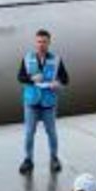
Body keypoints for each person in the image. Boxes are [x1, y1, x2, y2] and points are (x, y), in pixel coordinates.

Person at [17, 29, 70, 175]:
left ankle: (54, 159)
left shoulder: (56, 59)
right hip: (31, 103)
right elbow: (20, 77)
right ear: (35, 42)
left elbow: (66, 79)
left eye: (44, 42)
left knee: (51, 133)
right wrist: (32, 79)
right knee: (29, 133)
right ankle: (28, 160)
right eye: (39, 42)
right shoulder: (27, 58)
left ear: (49, 43)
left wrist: (57, 83)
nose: (41, 45)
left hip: (48, 103)